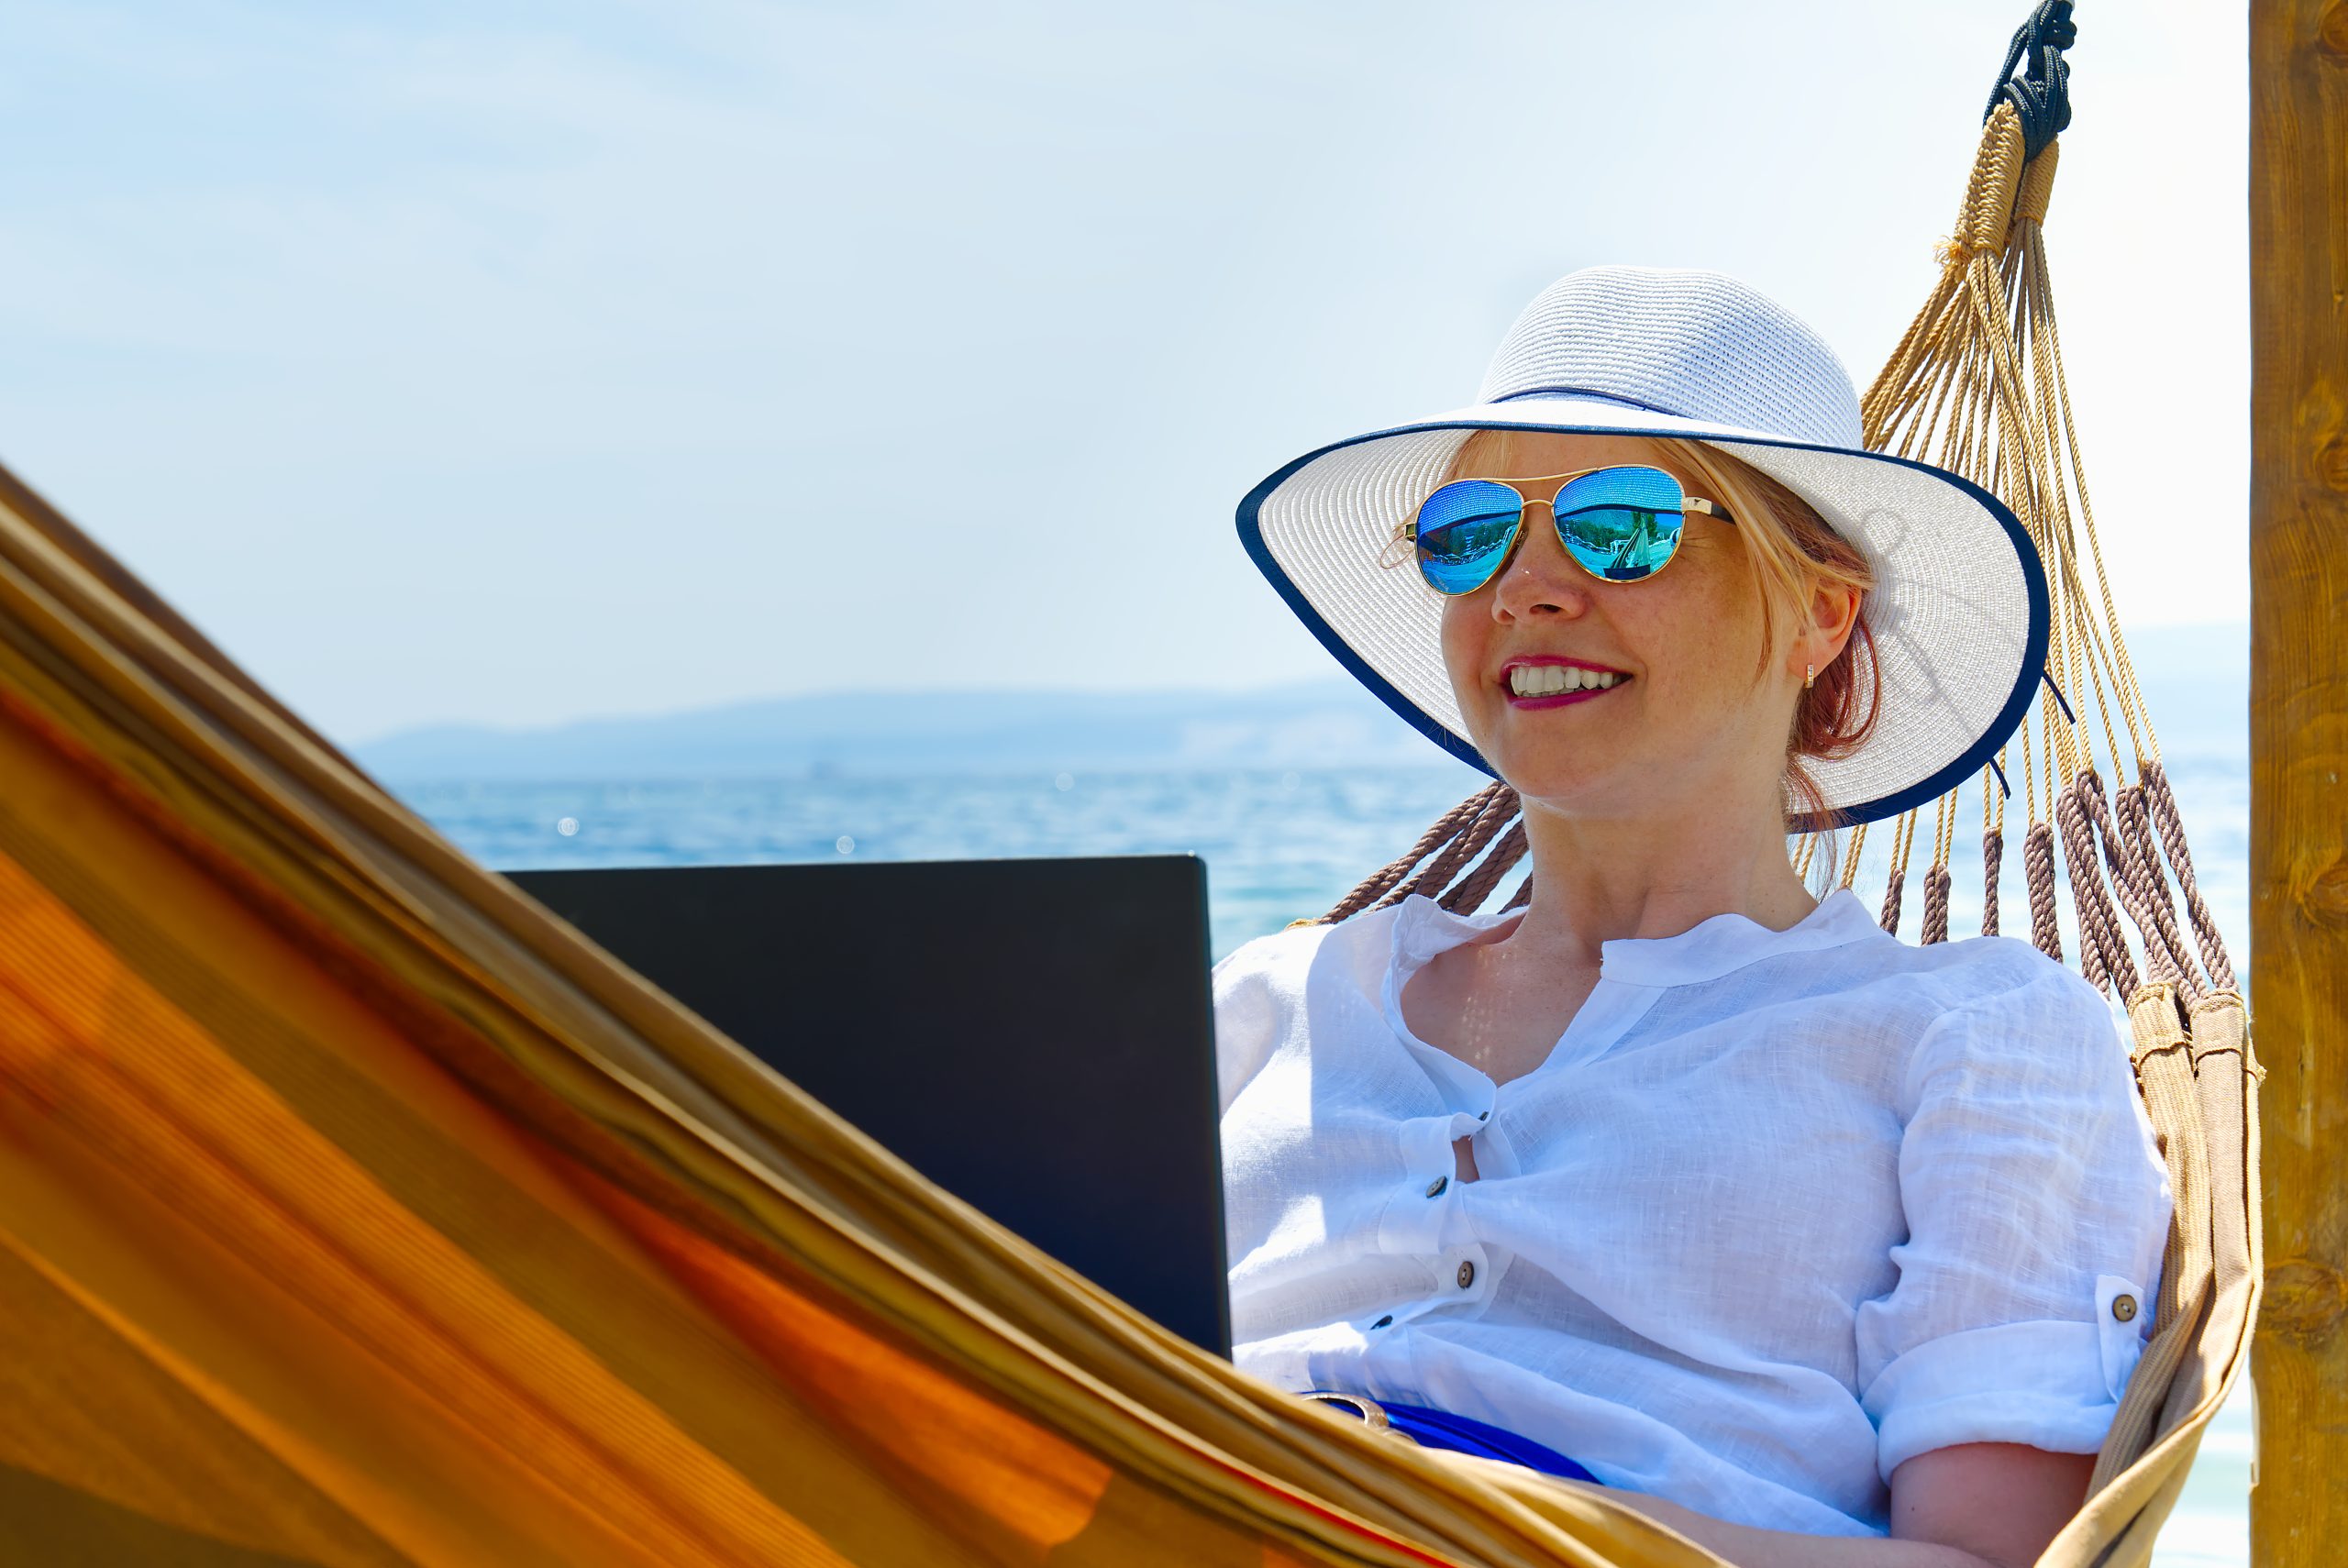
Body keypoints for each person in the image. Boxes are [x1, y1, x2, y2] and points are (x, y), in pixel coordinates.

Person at [1214, 267, 2171, 1568]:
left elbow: (1990, 1565)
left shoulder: (1970, 1039)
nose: (1526, 588)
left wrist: (1467, 1521)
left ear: (1821, 613)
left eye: (1621, 524)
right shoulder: (1271, 1006)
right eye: (1470, 531)